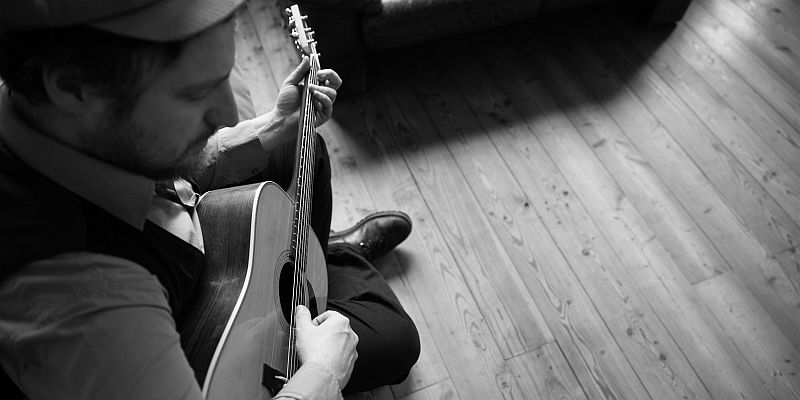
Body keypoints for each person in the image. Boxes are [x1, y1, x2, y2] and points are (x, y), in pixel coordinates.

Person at [0, 1, 421, 399]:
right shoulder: (90, 312)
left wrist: (274, 125)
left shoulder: (49, 117)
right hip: (190, 339)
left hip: (180, 255)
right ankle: (327, 260)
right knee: (395, 338)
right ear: (73, 89)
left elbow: (138, 153)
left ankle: (316, 259)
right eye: (195, 93)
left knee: (294, 146)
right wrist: (323, 373)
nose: (228, 112)